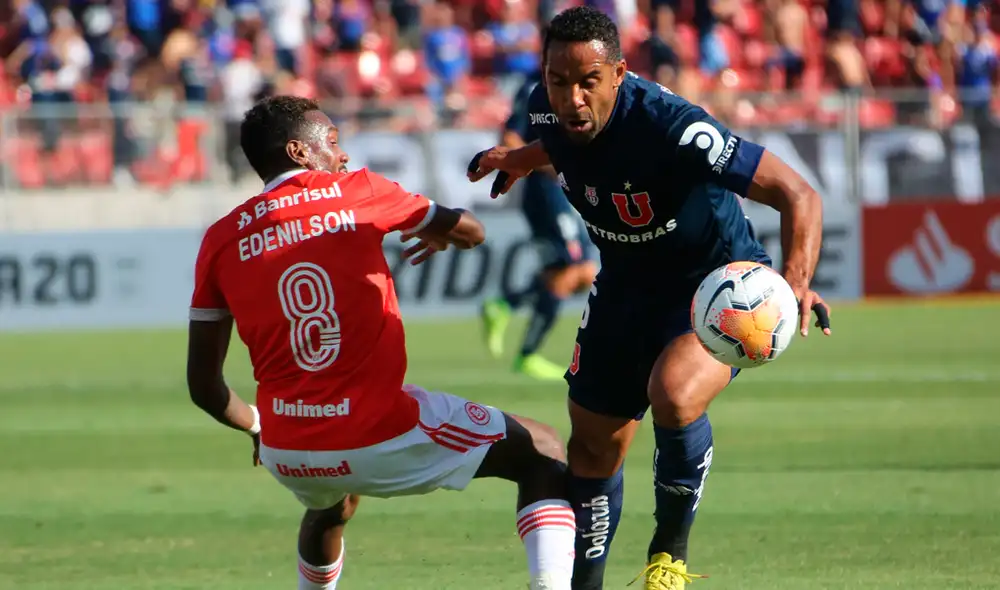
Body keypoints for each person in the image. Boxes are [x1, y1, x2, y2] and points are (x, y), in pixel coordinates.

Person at [467, 7, 832, 589]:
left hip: (713, 291)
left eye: (589, 81)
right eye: (560, 81)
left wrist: (793, 284)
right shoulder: (546, 106)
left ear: (618, 74)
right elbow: (562, 141)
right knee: (590, 447)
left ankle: (669, 554)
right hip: (624, 286)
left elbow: (798, 193)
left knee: (674, 393)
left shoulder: (673, 126)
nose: (572, 98)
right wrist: (518, 159)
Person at [186, 95, 577, 590]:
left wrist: (258, 426)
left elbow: (203, 386)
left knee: (333, 504)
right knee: (542, 449)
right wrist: (440, 233)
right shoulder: (358, 191)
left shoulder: (220, 239)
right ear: (299, 152)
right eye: (331, 142)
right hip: (376, 433)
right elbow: (471, 230)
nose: (343, 155)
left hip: (288, 449)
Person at [480, 68, 598, 381]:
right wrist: (547, 163)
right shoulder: (535, 88)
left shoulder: (578, 86)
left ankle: (506, 306)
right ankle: (526, 351)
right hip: (546, 192)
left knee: (572, 273)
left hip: (563, 191)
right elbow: (510, 137)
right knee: (579, 268)